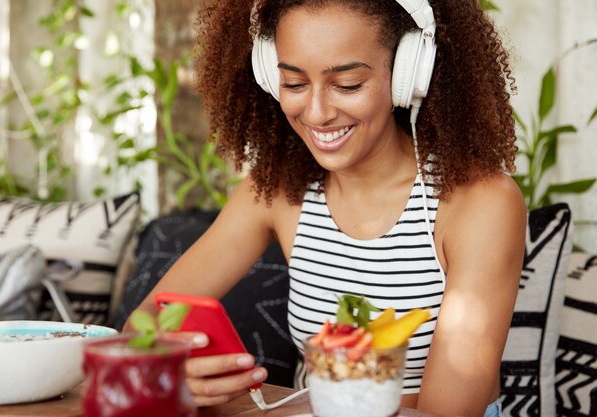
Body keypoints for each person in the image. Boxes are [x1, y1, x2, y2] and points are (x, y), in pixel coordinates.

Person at [130, 1, 526, 416]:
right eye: (294, 84)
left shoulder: (480, 203)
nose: (316, 113)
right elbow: (144, 323)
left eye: (348, 84)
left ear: (408, 74)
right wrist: (164, 372)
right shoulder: (277, 189)